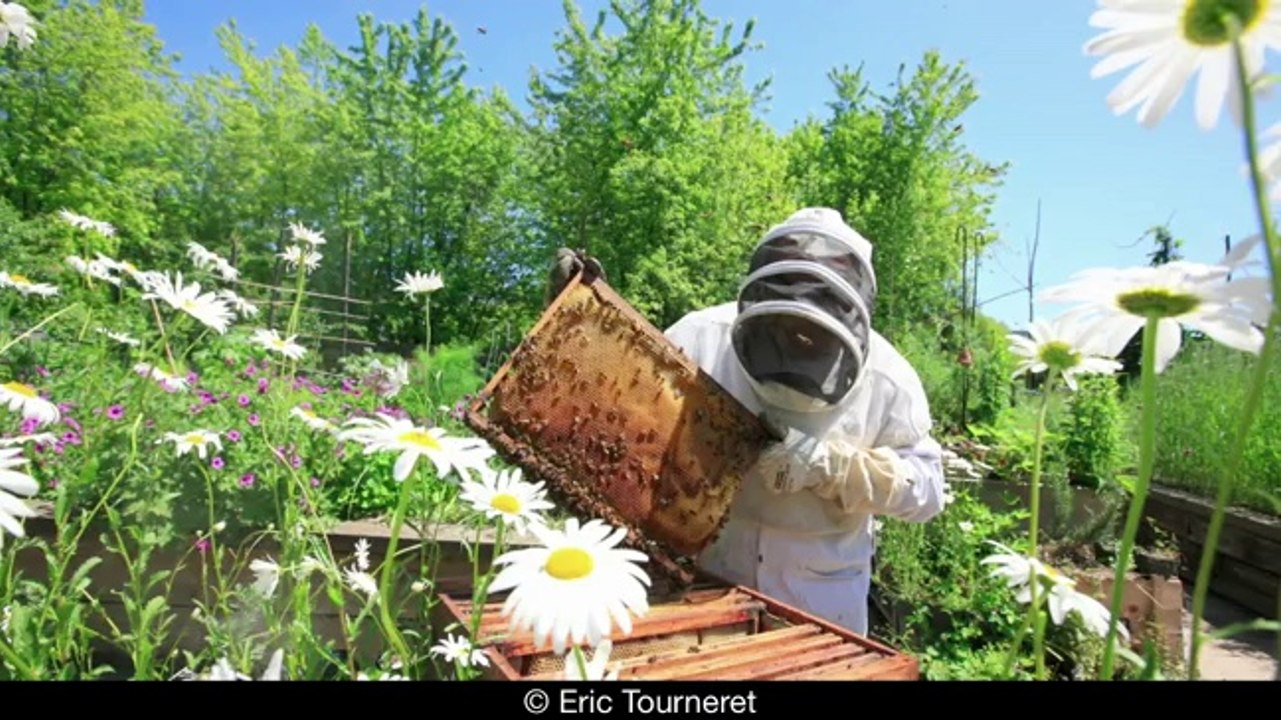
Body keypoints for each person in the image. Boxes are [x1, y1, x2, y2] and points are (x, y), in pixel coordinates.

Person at [545, 208, 949, 637]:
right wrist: (579, 339)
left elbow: (927, 490)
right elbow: (624, 426)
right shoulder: (699, 336)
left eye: (810, 337)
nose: (795, 345)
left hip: (820, 605)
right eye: (781, 329)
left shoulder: (888, 378)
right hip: (701, 586)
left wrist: (834, 467)